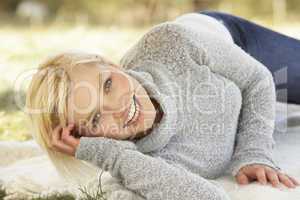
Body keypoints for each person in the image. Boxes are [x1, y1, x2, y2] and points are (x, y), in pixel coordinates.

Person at [25, 11, 300, 200]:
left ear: (110, 64)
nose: (118, 107)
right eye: (95, 118)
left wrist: (254, 152)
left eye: (108, 84)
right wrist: (115, 157)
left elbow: (256, 79)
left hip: (228, 39)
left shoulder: (173, 42)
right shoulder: (130, 168)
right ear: (84, 140)